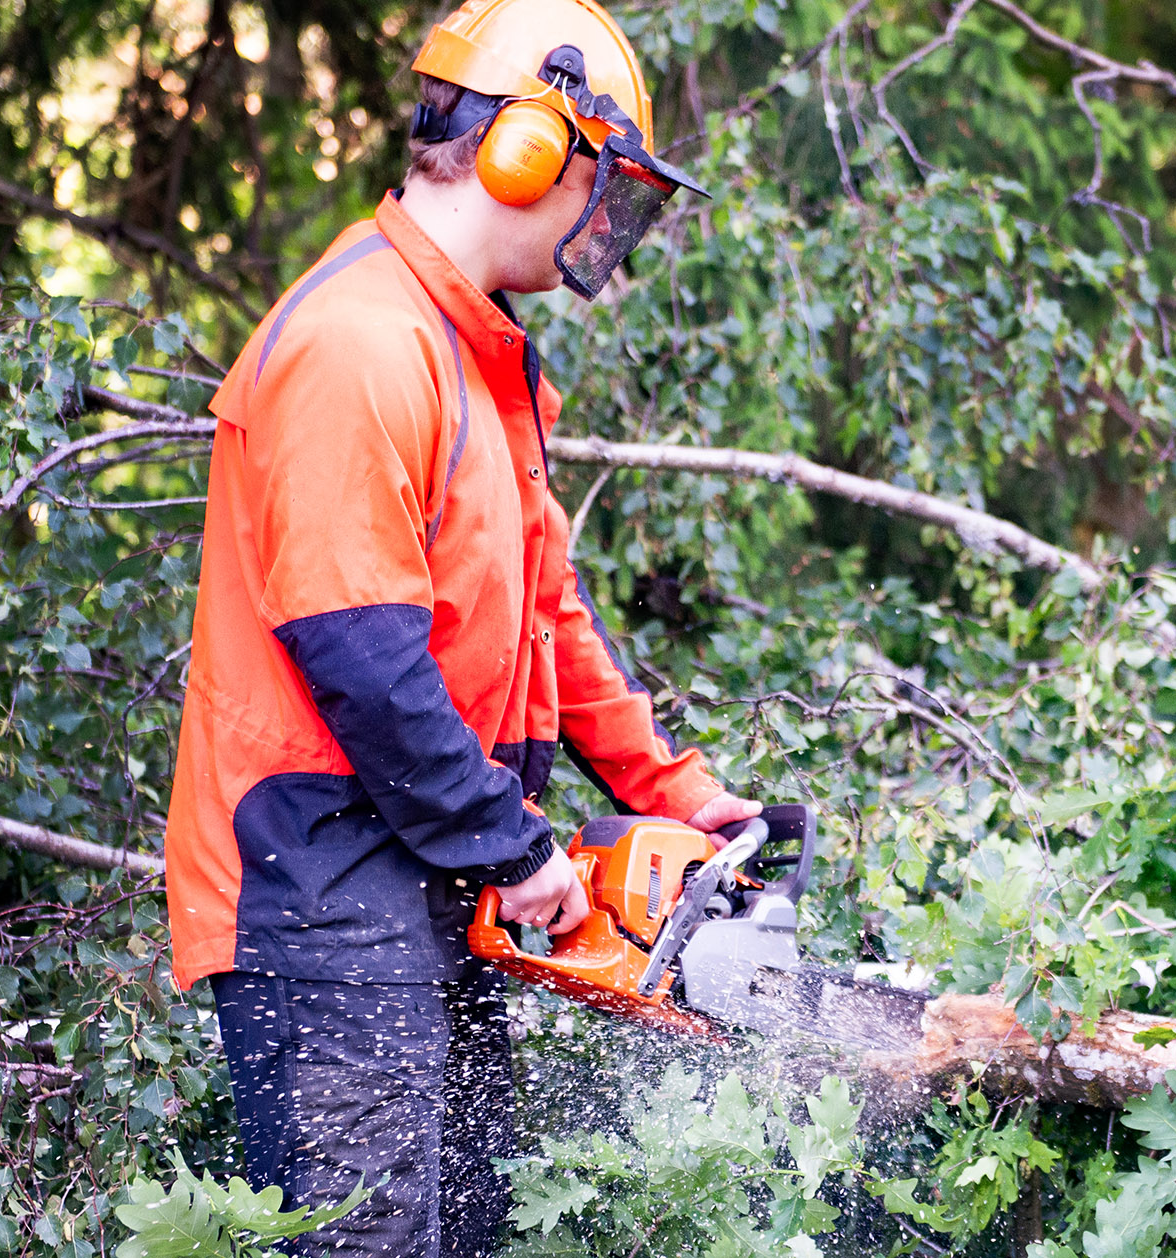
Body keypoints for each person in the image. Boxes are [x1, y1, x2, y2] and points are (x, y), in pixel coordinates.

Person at [161, 1, 757, 1252]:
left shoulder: (474, 356)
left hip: (421, 882)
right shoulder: (359, 343)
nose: (609, 223)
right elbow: (359, 655)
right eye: (604, 183)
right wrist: (512, 845)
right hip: (319, 899)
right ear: (530, 152)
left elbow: (545, 611)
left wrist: (682, 796)